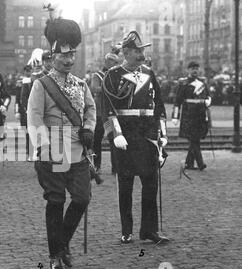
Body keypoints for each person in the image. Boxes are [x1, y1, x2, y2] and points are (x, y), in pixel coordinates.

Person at [28, 18, 96, 269]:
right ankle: (56, 254)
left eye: (72, 55)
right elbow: (34, 118)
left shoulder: (81, 84)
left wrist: (88, 127)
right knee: (56, 202)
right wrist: (44, 148)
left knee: (82, 198)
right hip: (53, 153)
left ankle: (63, 242)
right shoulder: (41, 85)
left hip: (78, 152)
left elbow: (90, 108)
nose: (69, 60)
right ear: (53, 55)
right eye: (64, 55)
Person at [102, 31, 170, 245]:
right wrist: (116, 134)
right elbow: (107, 108)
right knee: (126, 184)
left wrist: (163, 134)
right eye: (137, 51)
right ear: (126, 52)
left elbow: (158, 105)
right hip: (126, 133)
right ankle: (126, 229)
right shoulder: (112, 75)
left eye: (142, 50)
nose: (142, 54)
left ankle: (149, 230)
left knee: (151, 183)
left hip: (147, 132)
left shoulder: (149, 73)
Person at [172, 61, 212, 171]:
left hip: (200, 116)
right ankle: (200, 163)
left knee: (196, 140)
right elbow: (177, 102)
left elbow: (208, 96)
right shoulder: (183, 83)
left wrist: (208, 101)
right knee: (194, 140)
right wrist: (175, 116)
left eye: (196, 68)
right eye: (192, 68)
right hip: (188, 116)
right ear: (188, 70)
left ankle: (188, 164)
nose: (195, 70)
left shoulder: (202, 83)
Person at [90, 52, 120, 173]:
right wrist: (109, 88)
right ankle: (97, 166)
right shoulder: (97, 75)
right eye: (113, 62)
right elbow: (94, 88)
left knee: (114, 140)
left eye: (116, 62)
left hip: (112, 112)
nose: (115, 65)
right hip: (99, 112)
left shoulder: (117, 76)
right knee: (97, 140)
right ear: (107, 62)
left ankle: (116, 167)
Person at [19, 49, 50, 161]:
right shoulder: (30, 78)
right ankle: (32, 153)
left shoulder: (49, 76)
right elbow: (24, 96)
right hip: (34, 109)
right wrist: (27, 109)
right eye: (46, 61)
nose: (49, 63)